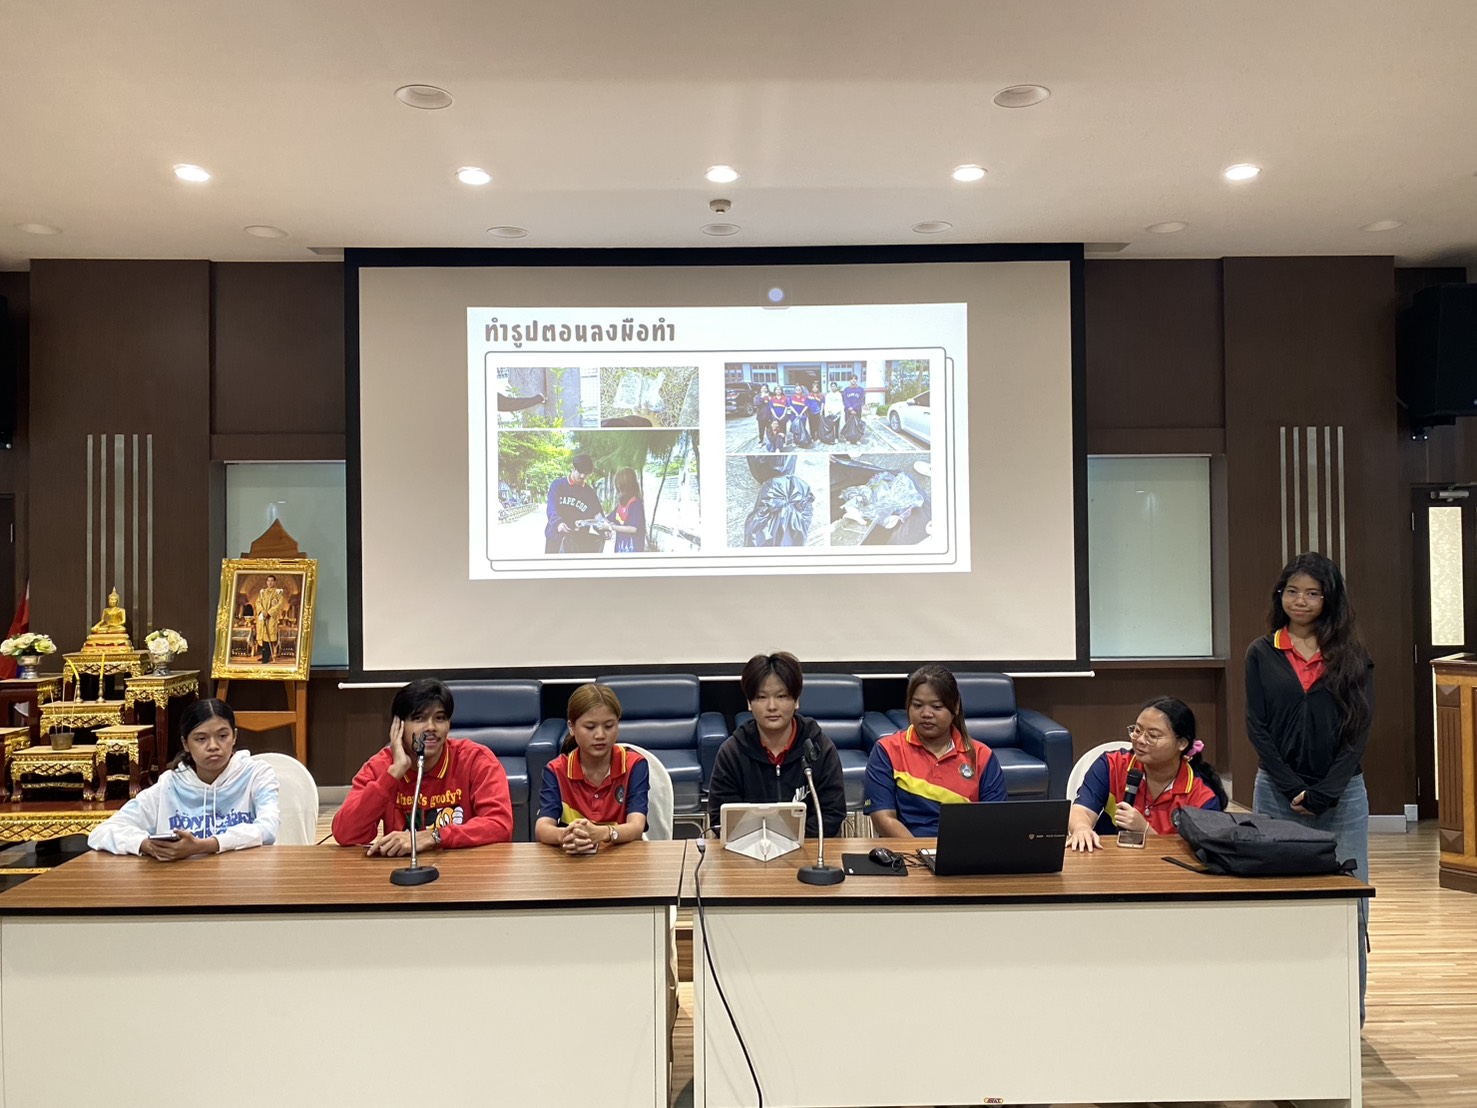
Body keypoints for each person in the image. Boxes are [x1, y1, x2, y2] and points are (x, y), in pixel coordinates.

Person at [1246, 551, 1374, 1023]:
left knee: (1349, 907)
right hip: (1275, 793)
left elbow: (1359, 731)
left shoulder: (1352, 655)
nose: (1300, 601)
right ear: (1280, 595)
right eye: (1292, 591)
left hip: (1343, 798)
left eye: (1312, 593)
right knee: (1276, 905)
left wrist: (1326, 790)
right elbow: (1257, 727)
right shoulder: (1262, 652)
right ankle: (1281, 1015)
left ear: (1329, 599)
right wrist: (1290, 786)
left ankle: (1346, 1019)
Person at [332, 678, 514, 854]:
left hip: (464, 868)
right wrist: (393, 774)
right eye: (419, 718)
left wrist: (433, 837)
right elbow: (345, 834)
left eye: (440, 718)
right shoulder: (381, 766)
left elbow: (500, 825)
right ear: (398, 726)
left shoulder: (476, 760)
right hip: (402, 870)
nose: (431, 727)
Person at [87, 699, 280, 860]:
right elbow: (102, 832)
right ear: (185, 743)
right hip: (181, 882)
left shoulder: (257, 775)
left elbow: (268, 828)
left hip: (242, 878)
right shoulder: (170, 785)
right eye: (201, 739)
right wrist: (148, 845)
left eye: (223, 736)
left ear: (234, 737)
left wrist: (205, 846)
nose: (213, 746)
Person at [706, 652, 845, 838]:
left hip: (809, 847)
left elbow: (831, 813)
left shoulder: (818, 748)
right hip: (747, 849)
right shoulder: (732, 753)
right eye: (761, 697)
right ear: (749, 703)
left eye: (781, 696)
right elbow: (721, 818)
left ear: (796, 700)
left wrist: (793, 841)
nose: (771, 706)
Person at [1066, 696, 1226, 852]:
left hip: (1167, 869)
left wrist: (1145, 830)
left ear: (1182, 743)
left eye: (1153, 736)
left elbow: (1205, 854)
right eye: (1137, 730)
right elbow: (1082, 810)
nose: (1140, 740)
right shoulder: (1111, 765)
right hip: (1106, 861)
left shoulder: (1202, 796)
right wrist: (1081, 828)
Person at [864, 664, 1007, 837]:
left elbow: (994, 822)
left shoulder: (982, 756)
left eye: (937, 707)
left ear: (955, 707)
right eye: (917, 705)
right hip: (906, 850)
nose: (926, 714)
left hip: (964, 849)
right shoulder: (886, 750)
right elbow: (883, 820)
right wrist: (921, 851)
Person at [535, 683, 650, 853]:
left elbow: (636, 826)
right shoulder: (556, 770)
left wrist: (603, 833)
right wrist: (566, 836)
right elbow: (542, 828)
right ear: (571, 727)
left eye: (609, 726)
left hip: (622, 856)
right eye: (590, 727)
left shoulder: (635, 765)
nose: (600, 735)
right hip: (573, 859)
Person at [543, 453, 604, 554]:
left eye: (586, 473)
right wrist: (558, 523)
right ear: (573, 468)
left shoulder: (590, 493)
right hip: (555, 538)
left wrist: (604, 531)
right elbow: (551, 509)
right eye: (580, 472)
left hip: (578, 542)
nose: (583, 476)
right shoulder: (558, 485)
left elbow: (597, 516)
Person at [604, 466, 647, 553]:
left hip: (633, 550)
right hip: (620, 549)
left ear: (624, 484)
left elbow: (633, 528)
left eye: (618, 483)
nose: (617, 486)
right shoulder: (621, 504)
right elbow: (608, 519)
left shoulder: (636, 504)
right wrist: (606, 528)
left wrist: (611, 527)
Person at [255, 574, 286, 663]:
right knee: (263, 637)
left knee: (268, 637)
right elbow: (257, 602)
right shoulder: (262, 592)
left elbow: (279, 604)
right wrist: (262, 611)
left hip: (271, 618)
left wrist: (269, 612)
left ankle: (267, 657)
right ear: (266, 582)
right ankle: (264, 655)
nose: (270, 582)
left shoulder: (278, 593)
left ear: (275, 582)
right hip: (263, 616)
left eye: (272, 581)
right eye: (268, 581)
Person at [841, 375, 866, 443]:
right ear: (849, 380)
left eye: (855, 379)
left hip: (857, 410)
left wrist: (854, 408)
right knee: (848, 424)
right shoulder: (846, 389)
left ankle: (857, 439)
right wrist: (850, 408)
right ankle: (848, 439)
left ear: (856, 380)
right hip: (848, 410)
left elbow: (860, 400)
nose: (853, 380)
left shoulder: (861, 389)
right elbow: (845, 400)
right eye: (852, 379)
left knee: (857, 425)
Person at [753, 384, 773, 448]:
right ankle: (761, 441)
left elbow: (773, 404)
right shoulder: (757, 396)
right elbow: (756, 403)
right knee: (761, 430)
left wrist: (769, 399)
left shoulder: (770, 395)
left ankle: (771, 441)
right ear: (760, 389)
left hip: (769, 416)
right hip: (761, 416)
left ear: (767, 389)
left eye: (765, 388)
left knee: (770, 430)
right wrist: (762, 397)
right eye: (762, 388)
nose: (764, 389)